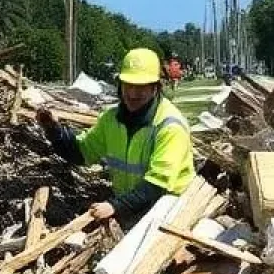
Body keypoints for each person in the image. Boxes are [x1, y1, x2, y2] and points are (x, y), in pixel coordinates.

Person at [37, 47, 195, 223]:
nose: (133, 93)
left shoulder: (169, 126)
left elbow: (157, 185)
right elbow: (81, 153)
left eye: (141, 87)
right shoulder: (111, 119)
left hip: (171, 212)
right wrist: (54, 131)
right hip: (133, 208)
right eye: (129, 85)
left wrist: (115, 206)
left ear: (155, 88)